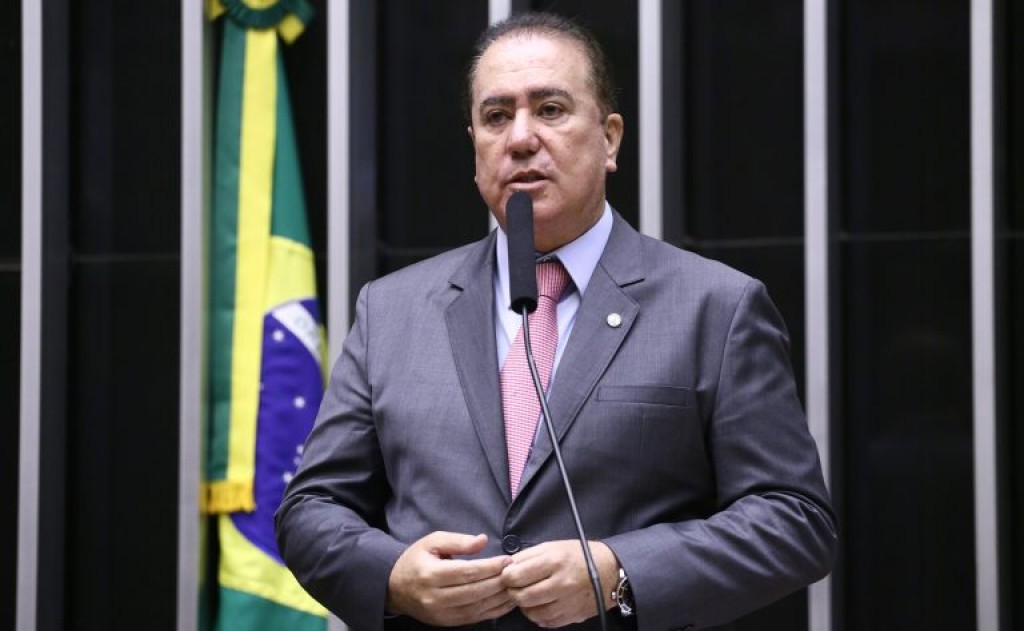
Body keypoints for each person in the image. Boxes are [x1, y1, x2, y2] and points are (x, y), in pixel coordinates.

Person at [276, 12, 836, 631]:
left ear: (609, 139)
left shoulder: (716, 307)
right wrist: (392, 579)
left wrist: (620, 571)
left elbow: (795, 520)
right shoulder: (391, 310)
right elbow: (310, 508)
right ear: (475, 148)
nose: (520, 138)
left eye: (550, 110)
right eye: (496, 117)